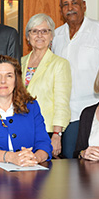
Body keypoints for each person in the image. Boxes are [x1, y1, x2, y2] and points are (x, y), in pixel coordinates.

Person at [52, 0, 99, 158]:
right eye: (65, 4)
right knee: (67, 162)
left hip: (93, 111)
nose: (70, 8)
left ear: (84, 6)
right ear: (61, 10)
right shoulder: (56, 35)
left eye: (74, 3)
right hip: (63, 114)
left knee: (87, 161)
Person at [0, 55, 52, 166]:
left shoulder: (31, 107)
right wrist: (12, 157)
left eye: (9, 76)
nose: (3, 81)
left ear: (16, 80)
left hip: (30, 171)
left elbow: (44, 143)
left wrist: (34, 158)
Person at [21, 13, 71, 157]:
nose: (39, 35)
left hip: (47, 130)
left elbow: (62, 103)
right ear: (28, 37)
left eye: (45, 31)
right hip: (22, 129)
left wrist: (57, 134)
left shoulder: (60, 64)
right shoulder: (20, 62)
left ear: (51, 36)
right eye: (34, 31)